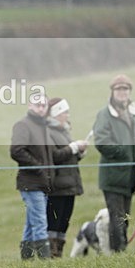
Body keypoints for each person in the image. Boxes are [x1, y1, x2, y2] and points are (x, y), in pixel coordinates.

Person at [93, 74, 135, 253]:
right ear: (112, 91)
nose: (122, 92)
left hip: (129, 176)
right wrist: (123, 152)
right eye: (119, 89)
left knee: (125, 218)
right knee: (117, 218)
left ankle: (120, 251)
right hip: (113, 176)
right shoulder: (104, 114)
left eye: (125, 89)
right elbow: (101, 141)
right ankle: (118, 252)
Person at [10, 95, 54, 260]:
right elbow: (16, 151)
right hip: (31, 182)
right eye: (37, 105)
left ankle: (27, 260)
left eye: (44, 105)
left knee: (31, 223)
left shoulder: (44, 126)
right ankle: (45, 261)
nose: (41, 108)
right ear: (30, 106)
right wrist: (38, 168)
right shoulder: (23, 125)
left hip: (42, 183)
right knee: (40, 222)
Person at [46, 97, 88, 258]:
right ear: (56, 114)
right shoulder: (48, 132)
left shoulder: (64, 131)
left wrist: (79, 152)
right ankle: (51, 255)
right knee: (54, 223)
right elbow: (54, 156)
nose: (67, 115)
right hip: (57, 186)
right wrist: (73, 148)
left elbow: (68, 156)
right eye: (64, 112)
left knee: (64, 222)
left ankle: (58, 254)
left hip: (69, 184)